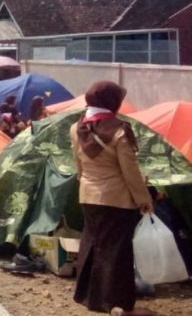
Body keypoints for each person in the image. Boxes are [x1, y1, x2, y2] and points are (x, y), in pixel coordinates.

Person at [71, 81, 153, 315]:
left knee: (92, 244)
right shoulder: (120, 130)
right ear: (112, 102)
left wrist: (86, 183)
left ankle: (91, 298)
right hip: (117, 199)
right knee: (118, 252)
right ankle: (120, 305)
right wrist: (144, 199)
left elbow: (78, 164)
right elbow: (130, 171)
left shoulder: (77, 127)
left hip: (88, 195)